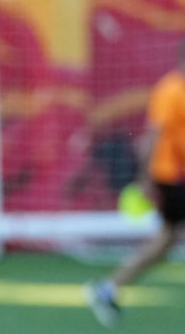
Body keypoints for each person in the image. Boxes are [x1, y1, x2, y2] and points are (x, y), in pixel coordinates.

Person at [86, 41, 185, 327]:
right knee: (166, 238)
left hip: (176, 175)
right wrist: (144, 180)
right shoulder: (171, 90)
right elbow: (151, 137)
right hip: (172, 176)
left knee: (166, 240)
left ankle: (109, 288)